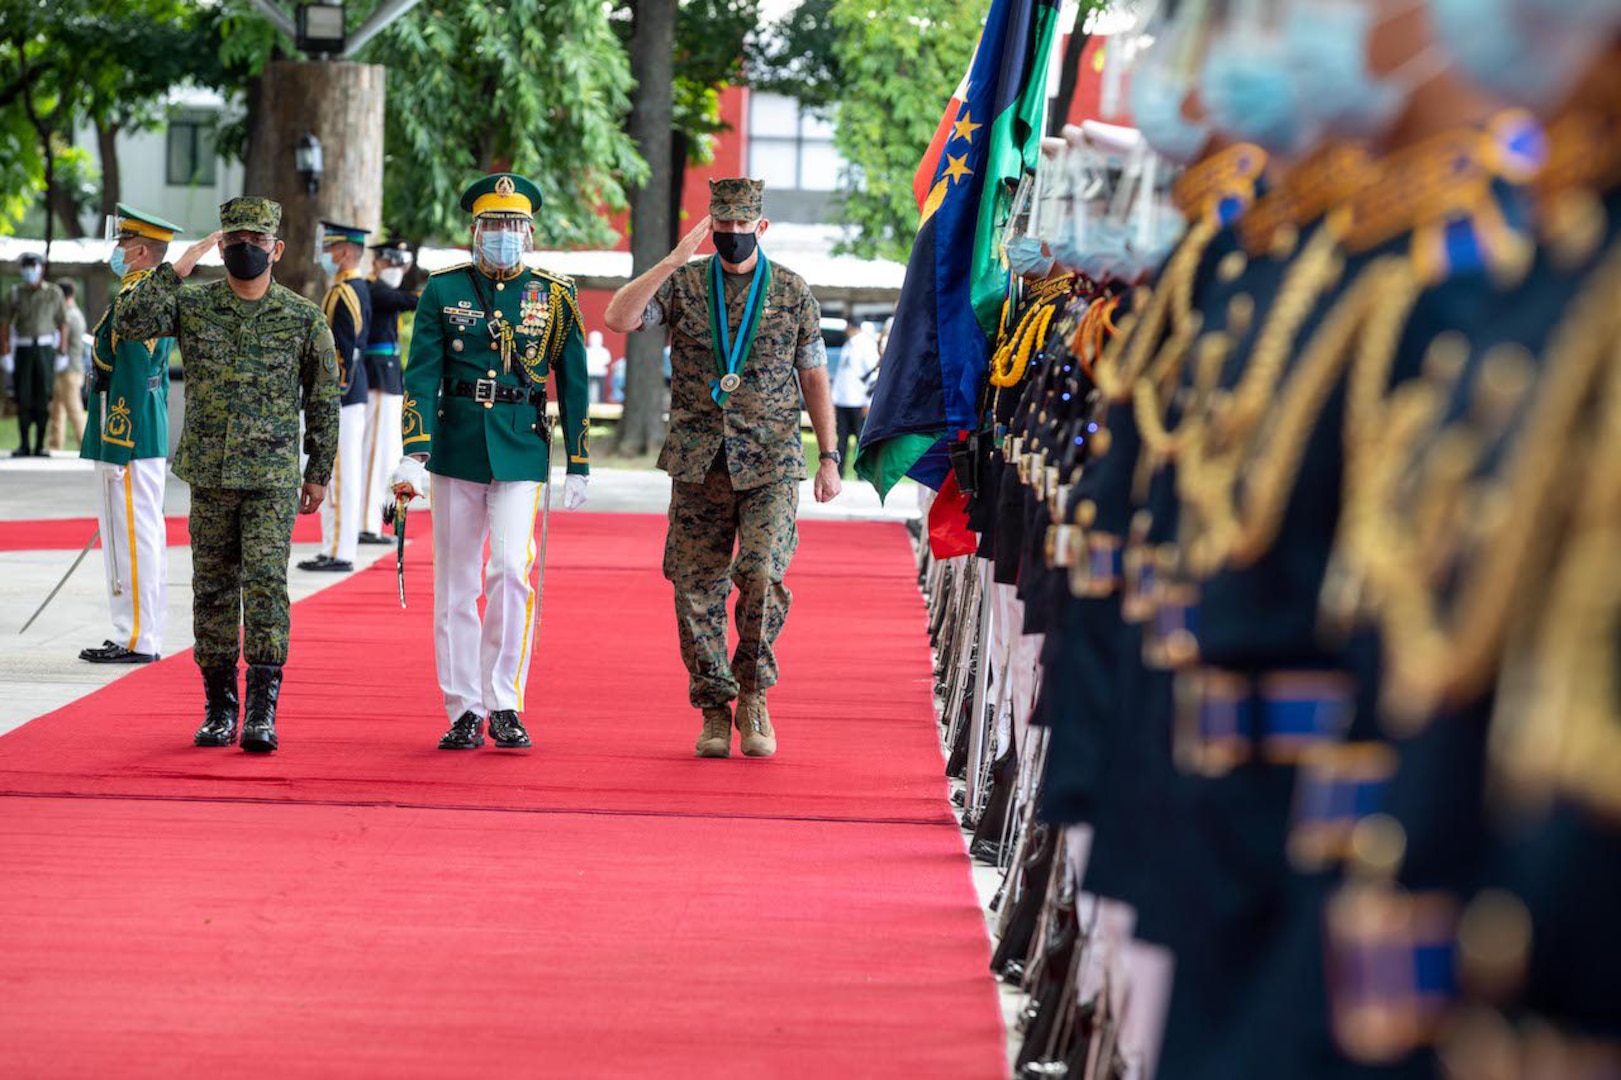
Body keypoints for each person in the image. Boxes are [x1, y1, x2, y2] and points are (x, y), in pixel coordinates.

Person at [603, 177, 841, 760]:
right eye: (722, 225)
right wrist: (675, 257)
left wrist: (830, 456)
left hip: (772, 461)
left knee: (762, 573)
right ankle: (713, 705)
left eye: (743, 225)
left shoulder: (791, 291)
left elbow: (814, 376)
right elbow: (618, 318)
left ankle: (754, 692)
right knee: (694, 588)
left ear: (761, 227)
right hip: (697, 458)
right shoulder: (684, 284)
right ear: (711, 226)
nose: (733, 235)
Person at [116, 196, 339, 755]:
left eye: (256, 240)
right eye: (234, 239)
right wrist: (177, 267)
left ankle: (262, 712)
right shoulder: (192, 305)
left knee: (266, 588)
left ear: (276, 248)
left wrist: (319, 470)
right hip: (211, 474)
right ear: (222, 243)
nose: (245, 248)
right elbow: (129, 321)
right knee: (212, 592)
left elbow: (324, 399)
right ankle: (219, 708)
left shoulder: (302, 317)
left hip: (269, 478)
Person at [389, 172, 592, 751]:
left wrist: (578, 460)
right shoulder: (443, 288)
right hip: (455, 448)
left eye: (513, 225)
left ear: (530, 233)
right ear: (474, 231)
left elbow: (572, 381)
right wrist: (414, 452)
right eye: (492, 224)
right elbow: (421, 373)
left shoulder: (556, 293)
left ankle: (504, 700)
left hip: (522, 445)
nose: (503, 234)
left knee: (509, 571)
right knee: (455, 583)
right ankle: (461, 707)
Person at [78, 204, 180, 666]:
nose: (118, 251)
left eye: (123, 244)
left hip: (130, 430)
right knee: (132, 534)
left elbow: (134, 374)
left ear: (140, 251)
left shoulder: (139, 298)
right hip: (136, 427)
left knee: (133, 536)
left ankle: (138, 635)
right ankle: (134, 629)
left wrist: (117, 440)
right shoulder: (139, 292)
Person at [299, 222, 373, 574]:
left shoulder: (344, 293)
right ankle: (333, 545)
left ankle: (341, 550)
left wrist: (332, 392)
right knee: (340, 470)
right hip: (350, 392)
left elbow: (345, 351)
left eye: (330, 249)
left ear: (344, 252)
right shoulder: (352, 287)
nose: (326, 256)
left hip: (343, 393)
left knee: (341, 473)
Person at [358, 237, 417, 545]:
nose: (396, 267)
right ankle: (366, 522)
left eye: (401, 262)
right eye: (391, 260)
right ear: (377, 261)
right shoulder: (375, 289)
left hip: (387, 374)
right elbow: (410, 301)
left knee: (384, 453)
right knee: (375, 453)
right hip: (378, 376)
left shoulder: (384, 290)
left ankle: (371, 520)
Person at [2, 252, 68, 456]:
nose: (29, 271)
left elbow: (62, 323)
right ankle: (24, 444)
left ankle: (40, 444)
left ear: (41, 268)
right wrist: (4, 351)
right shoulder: (15, 293)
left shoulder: (54, 292)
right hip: (23, 348)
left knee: (44, 395)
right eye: (25, 267)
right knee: (23, 395)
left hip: (45, 349)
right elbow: (4, 323)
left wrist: (63, 351)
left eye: (32, 266)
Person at [831, 319, 879, 477]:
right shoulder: (848, 345)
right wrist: (834, 399)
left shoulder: (866, 345)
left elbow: (873, 376)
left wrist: (868, 402)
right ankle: (839, 472)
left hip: (859, 401)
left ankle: (862, 474)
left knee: (861, 439)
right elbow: (841, 376)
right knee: (841, 440)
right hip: (843, 401)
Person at [46, 280, 88, 451]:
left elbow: (62, 339)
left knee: (74, 410)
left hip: (70, 369)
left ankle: (85, 446)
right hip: (65, 369)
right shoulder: (75, 313)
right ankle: (55, 446)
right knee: (56, 410)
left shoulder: (69, 315)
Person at [585, 329, 611, 404]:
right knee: (587, 391)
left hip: (600, 374)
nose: (594, 341)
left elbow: (607, 360)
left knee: (601, 392)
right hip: (589, 373)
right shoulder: (586, 351)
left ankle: (601, 403)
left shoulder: (604, 351)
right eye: (592, 338)